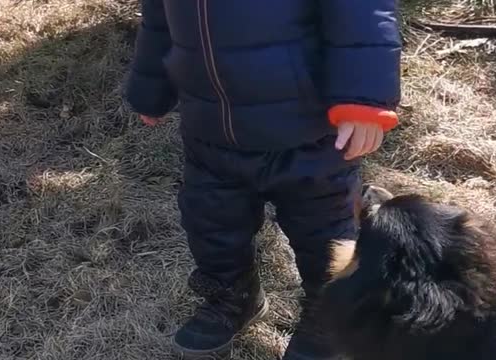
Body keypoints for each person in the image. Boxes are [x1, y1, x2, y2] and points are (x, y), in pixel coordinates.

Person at [124, 1, 401, 359]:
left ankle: (329, 318)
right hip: (211, 134)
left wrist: (364, 100)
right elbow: (160, 20)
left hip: (307, 134)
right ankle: (234, 296)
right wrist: (151, 88)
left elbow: (361, 10)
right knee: (211, 226)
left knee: (325, 236)